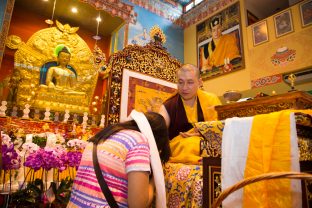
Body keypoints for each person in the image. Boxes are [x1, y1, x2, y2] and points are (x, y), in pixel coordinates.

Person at [67, 111, 171, 208]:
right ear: (157, 141)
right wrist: (152, 183)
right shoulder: (139, 141)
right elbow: (137, 204)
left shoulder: (107, 133)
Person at [159, 64, 221, 164]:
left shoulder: (211, 100)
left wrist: (202, 132)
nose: (185, 87)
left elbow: (221, 127)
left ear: (200, 82)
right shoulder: (168, 106)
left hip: (207, 143)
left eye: (190, 82)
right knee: (190, 144)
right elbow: (158, 131)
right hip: (181, 148)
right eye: (181, 82)